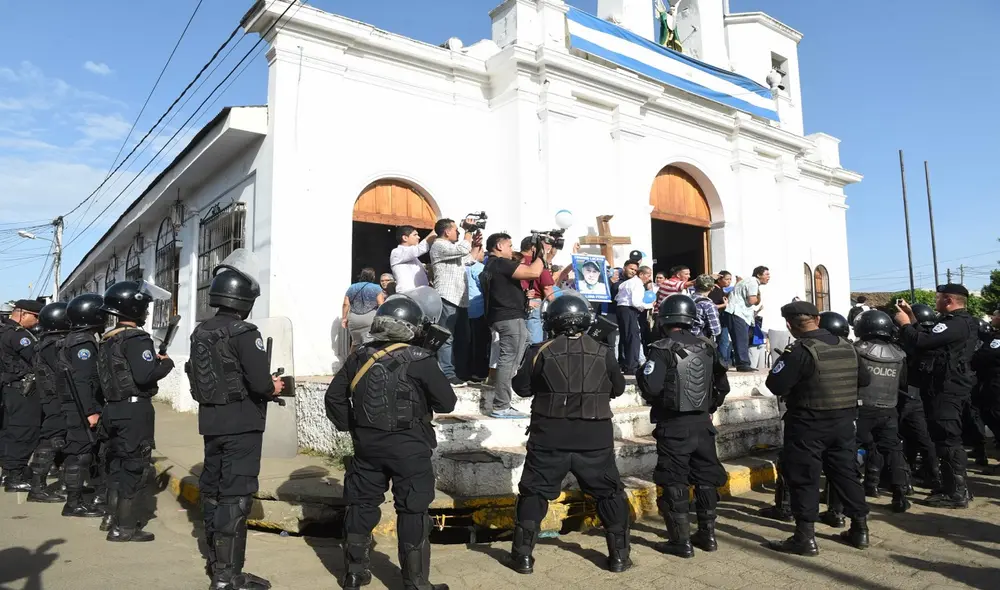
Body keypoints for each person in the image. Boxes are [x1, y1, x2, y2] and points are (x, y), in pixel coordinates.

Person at [326, 295, 456, 590]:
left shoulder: (360, 356)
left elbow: (334, 397)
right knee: (412, 510)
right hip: (410, 447)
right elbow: (447, 403)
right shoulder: (421, 359)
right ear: (413, 327)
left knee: (361, 505)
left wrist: (353, 427)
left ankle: (354, 574)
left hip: (367, 447)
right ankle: (415, 582)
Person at [506, 291, 631, 574]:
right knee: (609, 494)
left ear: (552, 321)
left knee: (534, 493)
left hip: (549, 436)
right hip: (594, 438)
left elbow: (522, 388)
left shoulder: (539, 351)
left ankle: (522, 557)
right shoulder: (603, 351)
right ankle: (619, 557)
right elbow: (618, 388)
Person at [187, 251, 284, 589]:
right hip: (242, 424)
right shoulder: (244, 332)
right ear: (244, 299)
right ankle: (228, 577)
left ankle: (217, 564)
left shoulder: (201, 332)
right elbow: (259, 384)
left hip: (211, 423)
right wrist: (273, 386)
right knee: (236, 495)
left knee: (213, 490)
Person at [766, 300, 870, 556]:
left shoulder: (799, 350)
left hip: (807, 424)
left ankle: (805, 538)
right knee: (846, 473)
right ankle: (860, 529)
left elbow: (776, 385)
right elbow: (865, 379)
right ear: (818, 320)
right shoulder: (848, 346)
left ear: (789, 325)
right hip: (844, 422)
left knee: (804, 477)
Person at [637, 294, 730, 558]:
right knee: (705, 479)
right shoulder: (708, 346)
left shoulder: (661, 348)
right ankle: (708, 536)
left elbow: (651, 387)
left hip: (674, 425)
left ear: (664, 319)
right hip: (703, 424)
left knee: (674, 480)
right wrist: (708, 407)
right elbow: (722, 386)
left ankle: (681, 541)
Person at [98, 281, 175, 542]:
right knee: (134, 467)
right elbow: (144, 376)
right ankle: (125, 527)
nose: (146, 312)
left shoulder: (108, 339)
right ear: (135, 308)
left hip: (112, 409)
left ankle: (111, 518)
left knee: (116, 466)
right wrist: (165, 365)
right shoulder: (137, 338)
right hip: (133, 411)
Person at [895, 284, 981, 508]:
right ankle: (952, 486)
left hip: (947, 389)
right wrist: (912, 316)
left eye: (939, 298)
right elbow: (929, 337)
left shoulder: (955, 323)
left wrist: (904, 325)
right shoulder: (961, 322)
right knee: (943, 439)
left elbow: (920, 342)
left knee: (947, 439)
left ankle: (957, 493)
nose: (936, 302)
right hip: (947, 387)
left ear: (949, 300)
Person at [842, 311, 910, 513]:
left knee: (848, 452)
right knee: (893, 451)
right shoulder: (899, 354)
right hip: (889, 410)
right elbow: (903, 383)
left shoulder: (856, 350)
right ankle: (900, 495)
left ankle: (843, 499)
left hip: (861, 409)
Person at [480, 232, 544, 419]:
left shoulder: (490, 265)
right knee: (508, 361)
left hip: (503, 317)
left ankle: (507, 395)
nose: (512, 249)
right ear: (499, 246)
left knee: (519, 352)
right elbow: (534, 272)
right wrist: (541, 254)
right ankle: (501, 406)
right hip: (510, 319)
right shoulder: (500, 263)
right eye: (509, 245)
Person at [62, 294, 109, 520]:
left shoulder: (77, 337)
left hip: (77, 404)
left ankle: (77, 497)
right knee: (79, 453)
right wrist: (90, 411)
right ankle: (73, 503)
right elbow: (82, 380)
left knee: (82, 452)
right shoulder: (83, 342)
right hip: (80, 406)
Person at [25, 303, 70, 504]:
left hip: (51, 397)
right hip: (56, 398)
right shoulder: (53, 345)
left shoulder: (45, 342)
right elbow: (64, 371)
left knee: (58, 438)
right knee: (52, 439)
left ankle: (62, 483)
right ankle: (38, 488)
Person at [430, 218, 480, 387]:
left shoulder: (452, 249)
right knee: (446, 337)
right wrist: (468, 231)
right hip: (447, 297)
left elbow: (469, 259)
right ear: (446, 231)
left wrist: (476, 244)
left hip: (460, 299)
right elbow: (462, 249)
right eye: (456, 229)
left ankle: (460, 372)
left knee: (463, 337)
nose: (458, 232)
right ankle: (447, 374)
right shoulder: (439, 245)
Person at [897, 303, 941, 490]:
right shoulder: (935, 339)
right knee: (922, 438)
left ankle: (902, 477)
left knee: (899, 437)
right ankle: (933, 475)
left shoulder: (913, 342)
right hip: (922, 395)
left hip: (906, 392)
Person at [0, 299, 42, 492]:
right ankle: (14, 476)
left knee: (9, 431)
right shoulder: (19, 336)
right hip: (22, 390)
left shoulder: (4, 331)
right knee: (24, 431)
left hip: (9, 389)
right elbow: (36, 360)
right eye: (36, 317)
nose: (37, 321)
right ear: (23, 314)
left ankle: (8, 471)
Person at [725, 267, 770, 372]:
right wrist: (758, 298)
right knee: (741, 339)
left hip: (738, 313)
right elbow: (752, 300)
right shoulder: (753, 282)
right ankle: (743, 364)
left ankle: (742, 363)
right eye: (766, 274)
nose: (769, 277)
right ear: (759, 275)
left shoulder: (747, 281)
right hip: (738, 313)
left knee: (740, 339)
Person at [972, 308, 1000, 473]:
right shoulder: (994, 337)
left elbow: (983, 357)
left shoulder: (997, 340)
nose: (992, 317)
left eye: (995, 315)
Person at [614, 261, 649, 375]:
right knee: (633, 338)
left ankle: (626, 364)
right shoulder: (637, 284)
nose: (648, 279)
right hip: (629, 310)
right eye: (648, 275)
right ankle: (631, 366)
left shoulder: (625, 283)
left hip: (621, 309)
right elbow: (635, 302)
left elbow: (617, 297)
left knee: (625, 337)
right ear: (641, 274)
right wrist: (648, 305)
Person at [519, 238, 556, 345]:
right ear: (533, 248)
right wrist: (555, 305)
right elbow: (547, 289)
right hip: (534, 303)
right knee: (534, 343)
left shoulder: (513, 261)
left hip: (514, 302)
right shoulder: (537, 264)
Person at [341, 268, 386, 352]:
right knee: (370, 344)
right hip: (370, 319)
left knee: (355, 343)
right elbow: (381, 304)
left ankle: (351, 359)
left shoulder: (352, 287)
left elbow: (346, 304)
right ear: (373, 277)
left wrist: (344, 318)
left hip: (354, 319)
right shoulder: (376, 288)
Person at [465, 252, 489, 382]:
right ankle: (479, 371)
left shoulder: (463, 266)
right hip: (479, 309)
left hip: (466, 309)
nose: (483, 254)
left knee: (469, 343)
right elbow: (485, 287)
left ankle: (468, 370)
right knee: (480, 343)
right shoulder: (478, 267)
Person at [390, 226, 437, 293]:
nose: (418, 237)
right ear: (405, 238)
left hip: (420, 295)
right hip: (407, 294)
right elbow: (420, 249)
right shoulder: (397, 252)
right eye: (415, 235)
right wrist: (436, 230)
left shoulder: (414, 258)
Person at [709, 272, 733, 366]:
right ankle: (722, 362)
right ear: (719, 280)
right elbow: (711, 306)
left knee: (724, 341)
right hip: (717, 320)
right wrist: (724, 305)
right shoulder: (714, 290)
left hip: (723, 319)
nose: (729, 281)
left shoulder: (721, 290)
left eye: (730, 279)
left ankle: (723, 361)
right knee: (723, 341)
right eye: (726, 279)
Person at [691, 275, 722, 340]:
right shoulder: (708, 305)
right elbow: (716, 330)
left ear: (694, 285)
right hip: (699, 341)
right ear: (712, 288)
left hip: (682, 338)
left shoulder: (686, 299)